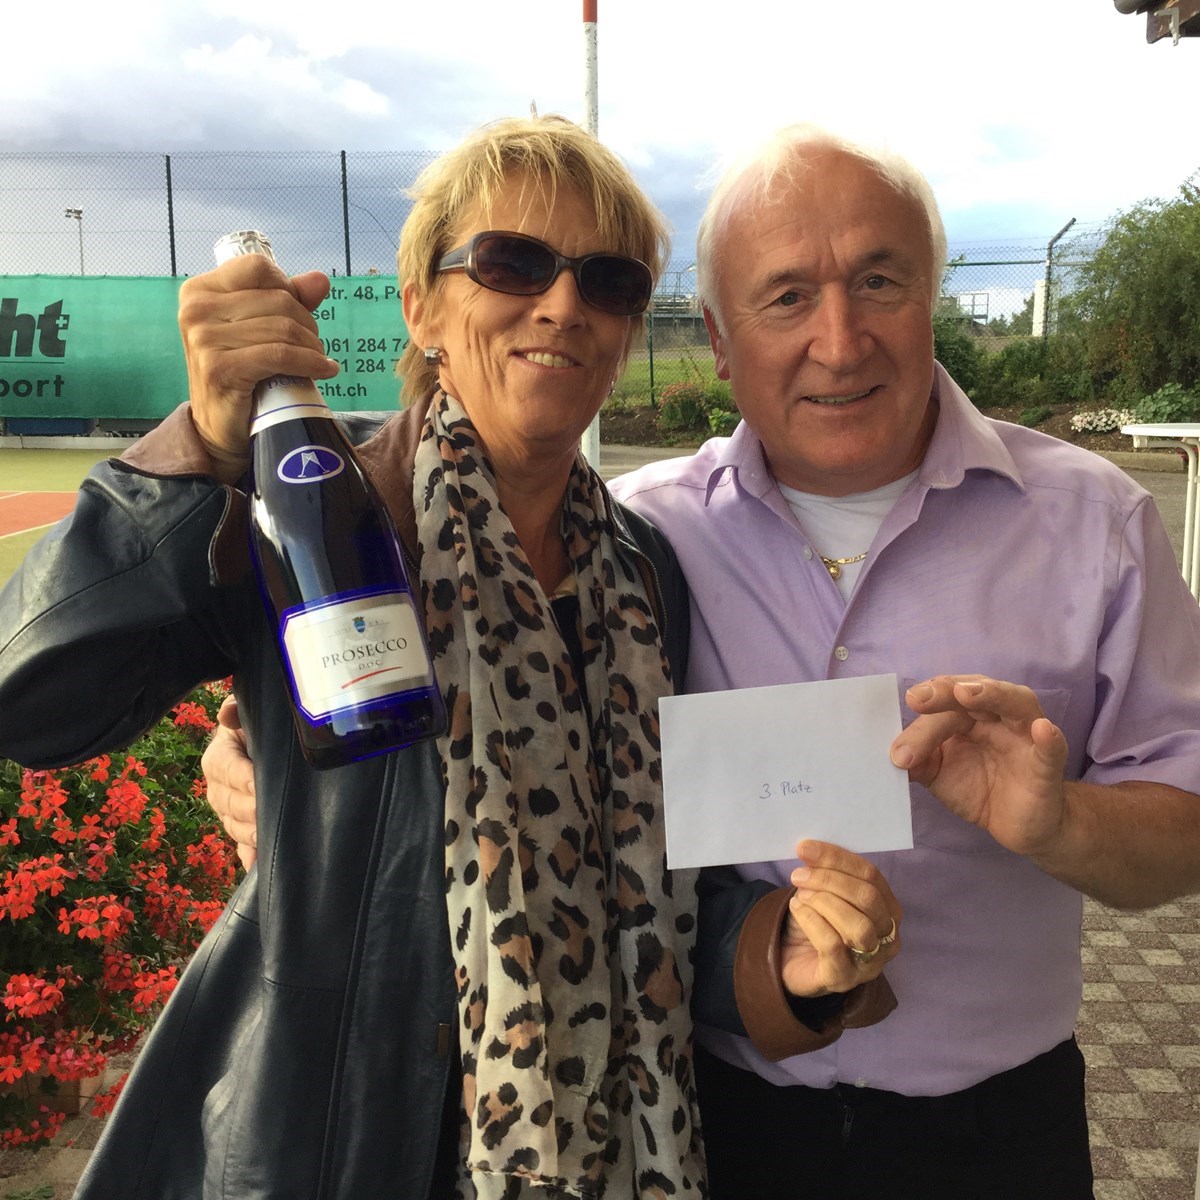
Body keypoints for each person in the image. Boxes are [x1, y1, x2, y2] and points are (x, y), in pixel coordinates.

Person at [206, 122, 1200, 1198]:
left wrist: (1061, 824)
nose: (839, 339)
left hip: (996, 1138)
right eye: (786, 296)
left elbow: (1187, 821)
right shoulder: (638, 548)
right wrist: (269, 773)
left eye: (878, 281)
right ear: (719, 342)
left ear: (932, 299)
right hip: (708, 1127)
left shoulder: (1093, 522)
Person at [0, 116, 900, 1200]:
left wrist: (783, 961)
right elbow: (35, 705)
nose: (562, 305)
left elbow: (656, 907)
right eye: (513, 261)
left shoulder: (645, 571)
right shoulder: (311, 509)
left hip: (612, 1150)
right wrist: (197, 450)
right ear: (421, 308)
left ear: (625, 332)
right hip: (337, 1147)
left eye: (607, 281)